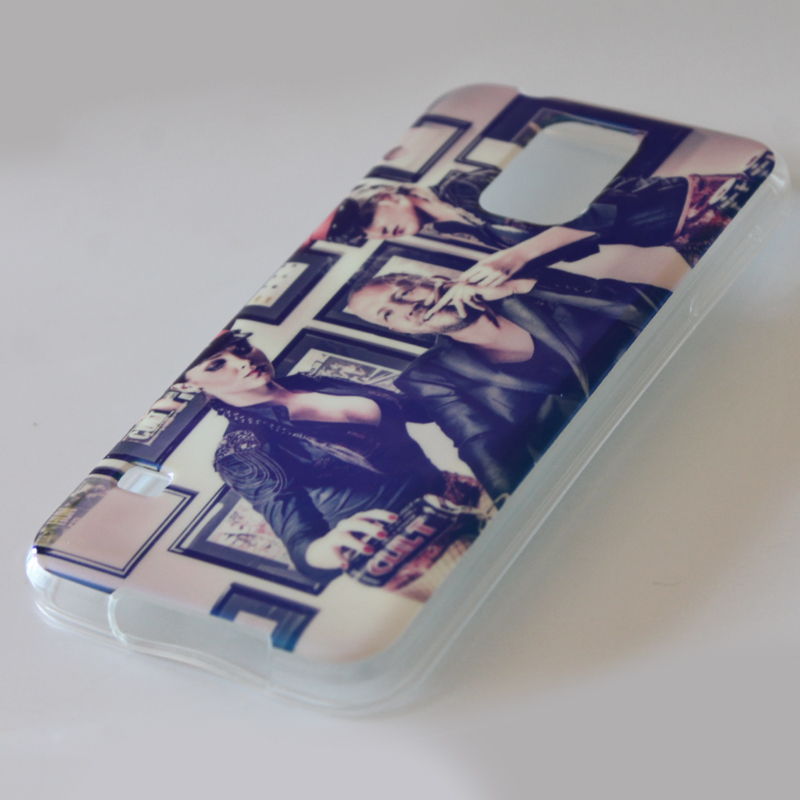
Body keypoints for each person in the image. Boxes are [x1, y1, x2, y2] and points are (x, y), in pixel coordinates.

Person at [346, 267, 671, 501]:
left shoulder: (530, 288)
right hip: (609, 465)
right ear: (399, 330)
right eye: (387, 314)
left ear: (436, 281)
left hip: (672, 386)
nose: (407, 308)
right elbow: (480, 445)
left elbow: (654, 305)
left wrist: (522, 287)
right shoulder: (427, 377)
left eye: (404, 293)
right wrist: (514, 504)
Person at [172, 330, 447, 584]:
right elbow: (299, 541)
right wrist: (324, 550)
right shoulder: (240, 450)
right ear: (187, 386)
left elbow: (419, 409)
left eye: (241, 348)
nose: (243, 362)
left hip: (452, 494)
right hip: (399, 542)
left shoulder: (311, 381)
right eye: (216, 364)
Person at [326, 153, 774, 271]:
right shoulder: (450, 227)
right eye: (370, 237)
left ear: (388, 196)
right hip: (667, 232)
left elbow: (586, 213)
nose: (379, 234)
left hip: (679, 204)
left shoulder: (463, 188)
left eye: (371, 223)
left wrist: (514, 257)